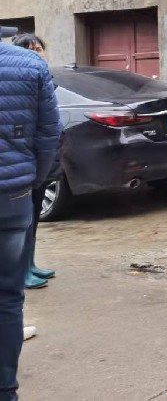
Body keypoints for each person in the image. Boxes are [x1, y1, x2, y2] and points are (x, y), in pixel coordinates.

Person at [0, 36, 61, 401]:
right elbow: (50, 132)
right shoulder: (30, 64)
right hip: (12, 197)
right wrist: (31, 180)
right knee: (7, 297)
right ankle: (5, 390)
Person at [11, 35, 57, 293]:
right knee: (22, 221)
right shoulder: (19, 79)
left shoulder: (44, 77)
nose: (37, 53)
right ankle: (21, 270)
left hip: (41, 158)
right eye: (30, 49)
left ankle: (30, 263)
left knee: (34, 217)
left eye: (39, 48)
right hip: (24, 160)